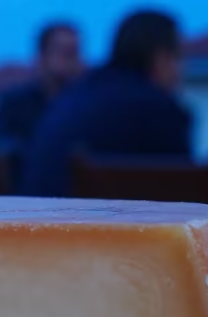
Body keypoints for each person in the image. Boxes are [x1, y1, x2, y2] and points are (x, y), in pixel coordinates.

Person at [19, 10, 191, 198]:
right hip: (86, 215)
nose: (180, 71)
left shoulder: (77, 93)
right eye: (179, 57)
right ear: (161, 57)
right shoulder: (158, 110)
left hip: (37, 211)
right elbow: (185, 194)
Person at [0, 22, 83, 168]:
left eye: (75, 53)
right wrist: (22, 152)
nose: (72, 60)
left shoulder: (85, 107)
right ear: (42, 56)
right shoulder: (15, 102)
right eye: (65, 52)